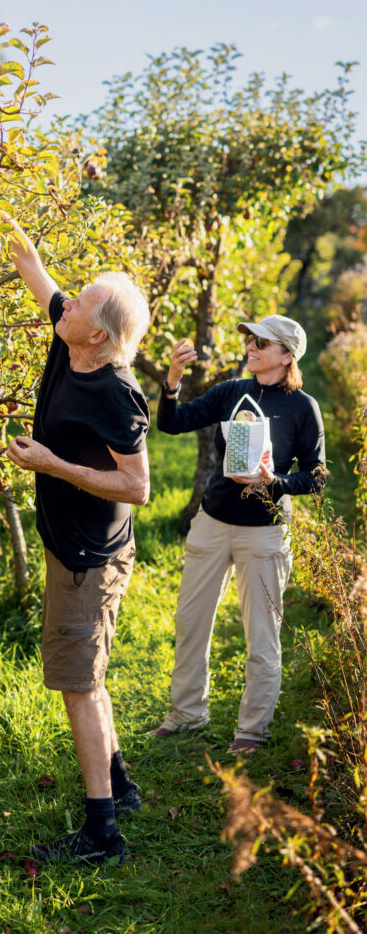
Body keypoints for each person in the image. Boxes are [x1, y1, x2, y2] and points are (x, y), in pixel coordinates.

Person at [2, 214, 151, 865]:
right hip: (76, 547)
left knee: (77, 684)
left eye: (81, 298)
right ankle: (118, 787)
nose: (66, 299)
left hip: (89, 555)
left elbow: (137, 487)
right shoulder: (72, 337)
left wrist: (52, 466)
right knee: (86, 675)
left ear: (97, 332)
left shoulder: (114, 393)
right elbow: (36, 274)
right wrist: (3, 220)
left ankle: (101, 834)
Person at [154, 316, 325, 754]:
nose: (251, 346)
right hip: (213, 523)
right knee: (191, 623)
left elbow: (317, 475)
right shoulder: (232, 391)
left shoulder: (302, 407)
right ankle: (187, 714)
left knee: (261, 636)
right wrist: (172, 381)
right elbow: (172, 424)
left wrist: (276, 482)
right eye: (251, 340)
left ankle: (252, 728)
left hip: (264, 533)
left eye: (262, 342)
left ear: (287, 355)